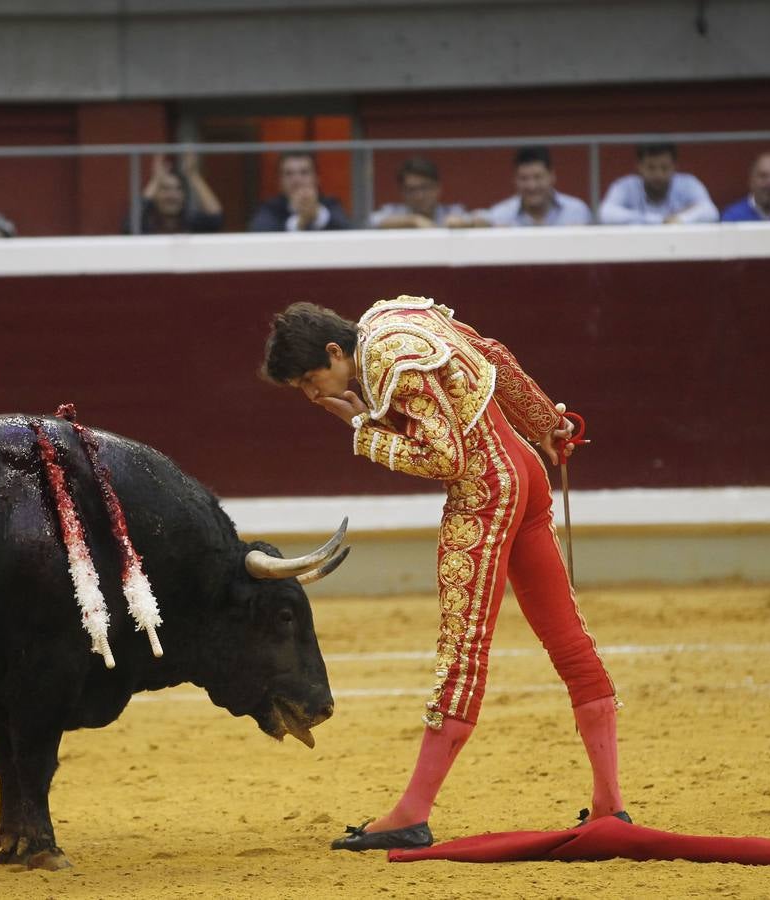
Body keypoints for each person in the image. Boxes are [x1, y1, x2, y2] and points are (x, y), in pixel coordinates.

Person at [261, 296, 627, 852]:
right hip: (522, 468)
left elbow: (446, 457)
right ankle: (610, 805)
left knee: (463, 649)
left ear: (337, 352)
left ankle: (412, 812)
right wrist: (546, 422)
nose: (314, 396)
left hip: (486, 490)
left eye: (313, 380)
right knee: (568, 639)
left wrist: (362, 429)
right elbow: (493, 356)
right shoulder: (393, 320)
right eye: (303, 391)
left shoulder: (389, 365)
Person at [598, 143, 718, 225]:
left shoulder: (688, 184)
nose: (658, 174)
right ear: (639, 166)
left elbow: (710, 212)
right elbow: (605, 214)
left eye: (664, 168)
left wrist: (681, 219)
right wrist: (660, 221)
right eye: (651, 168)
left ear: (674, 166)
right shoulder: (625, 186)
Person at [484, 147, 592, 227]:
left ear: (552, 176)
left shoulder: (576, 211)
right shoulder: (500, 216)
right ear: (515, 180)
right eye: (524, 178)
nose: (532, 186)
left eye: (538, 177)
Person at [248, 151, 351, 232]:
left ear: (316, 178)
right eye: (289, 174)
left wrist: (317, 214)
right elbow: (260, 234)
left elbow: (348, 231)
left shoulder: (331, 204)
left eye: (304, 172)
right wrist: (299, 222)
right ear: (279, 181)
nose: (296, 180)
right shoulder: (270, 208)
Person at [125, 152, 224, 234]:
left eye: (178, 189)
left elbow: (216, 219)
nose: (172, 195)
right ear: (155, 195)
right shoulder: (147, 224)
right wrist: (155, 181)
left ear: (184, 195)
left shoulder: (191, 222)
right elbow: (129, 226)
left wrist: (193, 175)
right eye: (165, 189)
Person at [369, 156, 478, 228]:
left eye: (425, 188)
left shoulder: (452, 211)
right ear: (402, 192)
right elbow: (374, 221)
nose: (419, 196)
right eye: (412, 189)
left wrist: (462, 223)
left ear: (438, 188)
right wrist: (413, 221)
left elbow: (479, 220)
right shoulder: (392, 211)